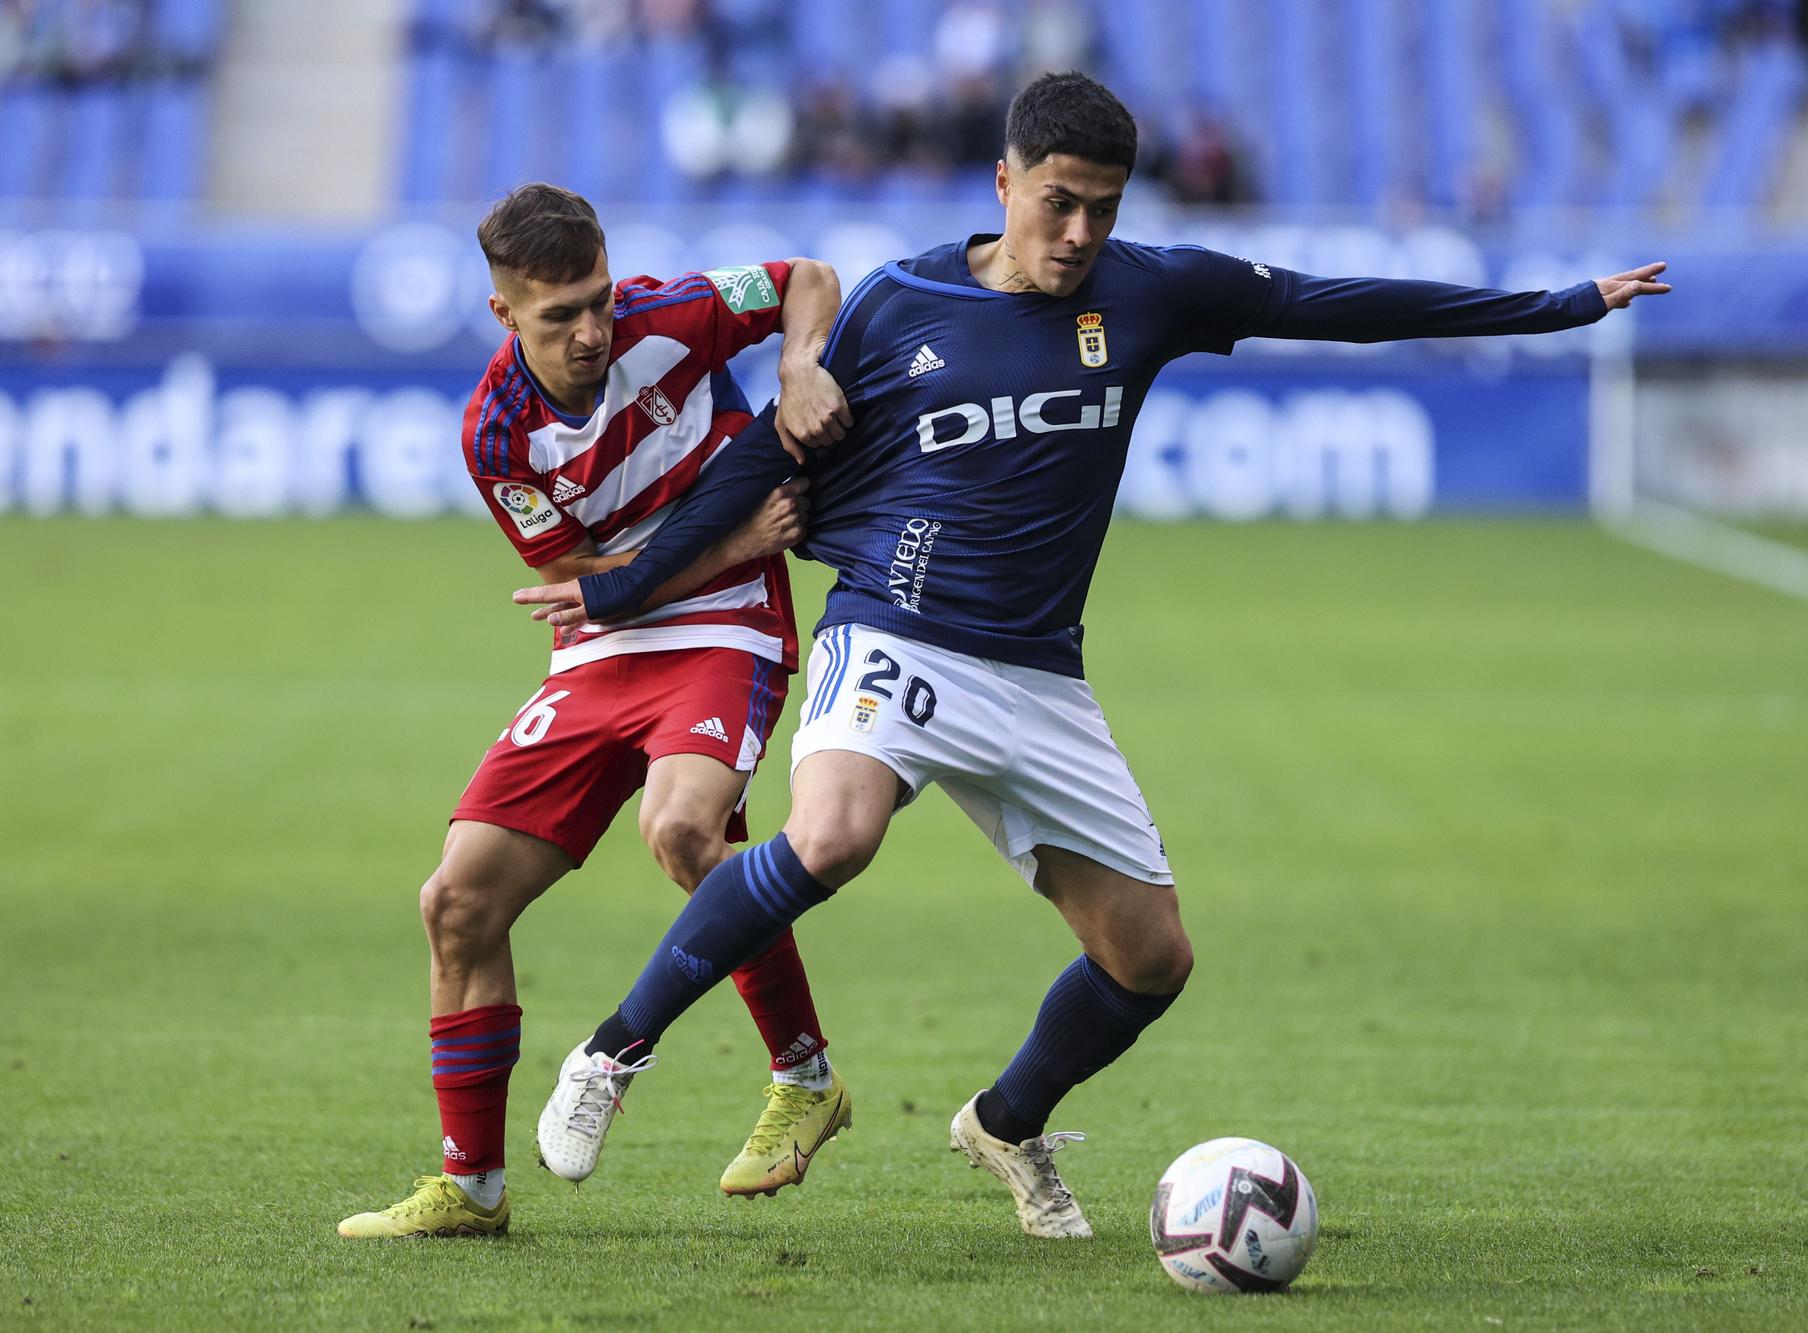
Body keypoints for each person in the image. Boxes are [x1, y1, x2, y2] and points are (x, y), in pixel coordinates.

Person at [512, 72, 1672, 1240]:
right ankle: (612, 1052)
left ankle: (1005, 1122)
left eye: (1102, 209)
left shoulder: (1149, 291)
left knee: (1148, 960)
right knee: (831, 834)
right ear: (1004, 180)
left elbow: (1336, 302)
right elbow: (765, 458)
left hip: (1037, 674)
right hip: (895, 626)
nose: (1078, 234)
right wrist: (618, 590)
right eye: (1057, 202)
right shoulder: (898, 303)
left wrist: (1554, 306)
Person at [337, 184, 855, 1239]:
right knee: (457, 901)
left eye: (595, 301)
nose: (588, 333)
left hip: (723, 623)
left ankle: (805, 1078)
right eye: (555, 316)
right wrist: (729, 538)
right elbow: (583, 578)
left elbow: (807, 278)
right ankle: (470, 1187)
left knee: (682, 829)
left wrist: (797, 363)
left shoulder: (670, 318)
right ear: (501, 317)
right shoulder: (496, 432)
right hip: (617, 636)